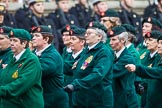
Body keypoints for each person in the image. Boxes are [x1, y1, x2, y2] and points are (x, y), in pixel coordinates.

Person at [64, 21, 114, 108]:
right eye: (86, 33)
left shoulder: (104, 52)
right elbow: (75, 66)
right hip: (83, 99)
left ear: (99, 36)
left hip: (98, 101)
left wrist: (75, 85)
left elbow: (98, 74)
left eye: (89, 33)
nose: (86, 35)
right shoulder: (87, 51)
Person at [0, 29, 44, 108]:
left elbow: (20, 84)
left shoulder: (31, 60)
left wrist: (2, 91)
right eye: (11, 40)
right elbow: (4, 78)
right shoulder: (12, 57)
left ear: (24, 43)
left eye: (15, 41)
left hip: (26, 104)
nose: (11, 43)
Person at [31, 25, 69, 108]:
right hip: (41, 97)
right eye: (33, 36)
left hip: (53, 100)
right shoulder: (33, 53)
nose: (33, 38)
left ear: (46, 39)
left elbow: (39, 70)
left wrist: (19, 67)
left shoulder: (52, 55)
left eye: (37, 36)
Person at [125, 32, 162, 108]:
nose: (159, 46)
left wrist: (137, 68)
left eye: (161, 43)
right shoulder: (146, 55)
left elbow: (157, 72)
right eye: (159, 43)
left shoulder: (157, 58)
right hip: (149, 98)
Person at [108, 26, 139, 108]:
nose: (110, 43)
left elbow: (111, 71)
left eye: (114, 39)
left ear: (123, 40)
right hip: (116, 99)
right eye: (110, 39)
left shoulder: (128, 58)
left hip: (126, 102)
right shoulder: (113, 55)